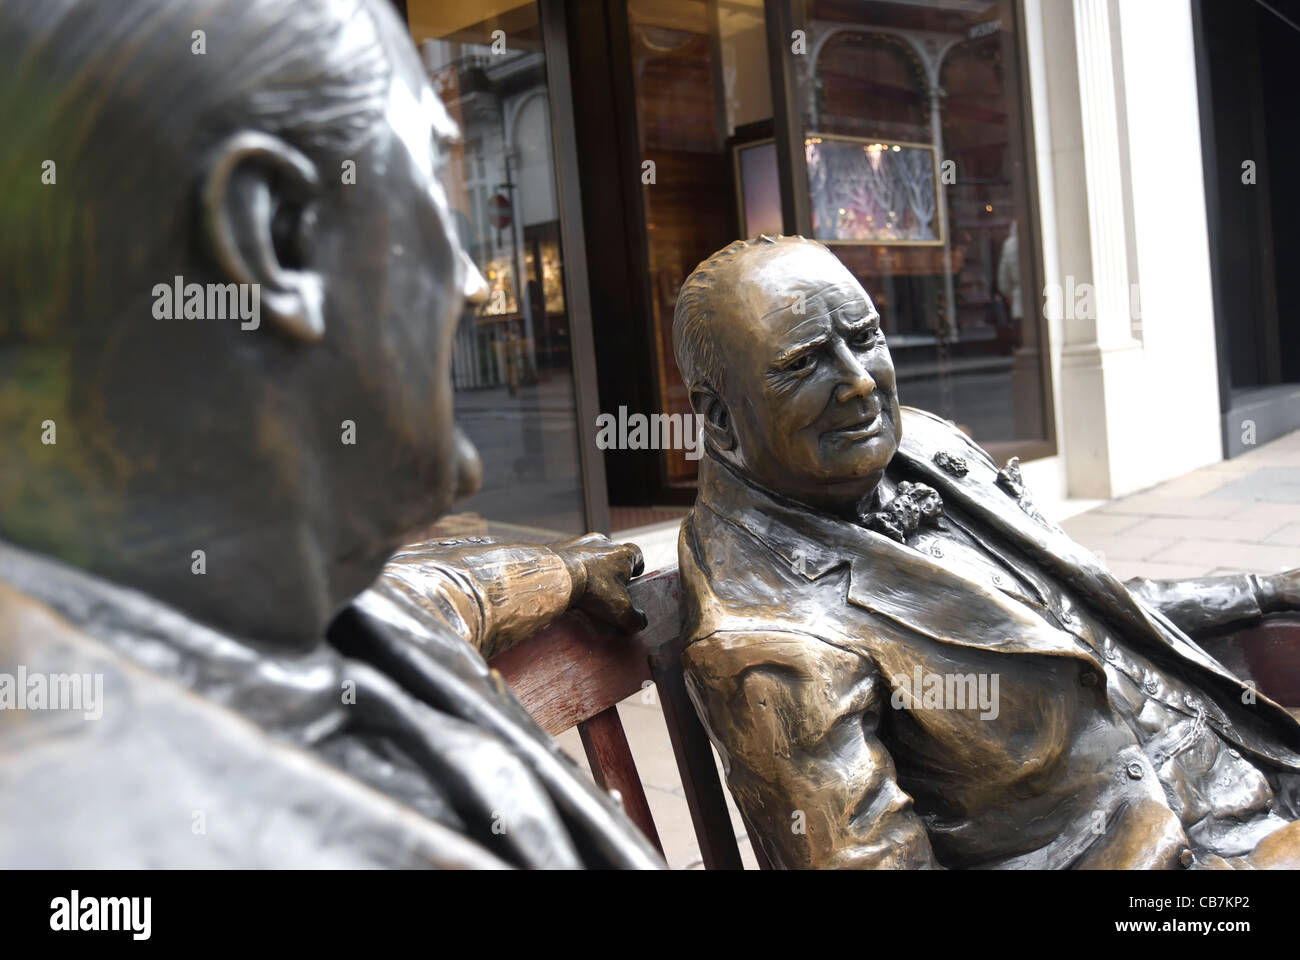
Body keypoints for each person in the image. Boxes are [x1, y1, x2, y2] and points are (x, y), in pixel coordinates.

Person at [0, 0, 660, 869]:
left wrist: (570, 570)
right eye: (429, 174)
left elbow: (453, 590)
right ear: (275, 235)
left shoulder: (302, 601)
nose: (468, 281)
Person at [672, 235, 1300, 869]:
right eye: (805, 364)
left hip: (1257, 781)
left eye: (864, 339)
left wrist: (1262, 591)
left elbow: (1078, 609)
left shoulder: (920, 446)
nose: (860, 383)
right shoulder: (764, 641)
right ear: (721, 419)